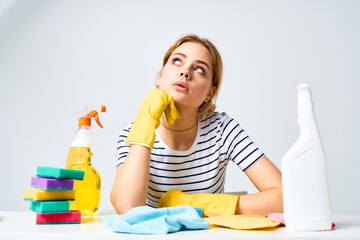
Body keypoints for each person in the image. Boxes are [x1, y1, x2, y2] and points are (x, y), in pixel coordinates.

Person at [110, 34, 283, 216]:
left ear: (210, 92)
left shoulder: (222, 130)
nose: (185, 73)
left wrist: (197, 205)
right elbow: (127, 207)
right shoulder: (133, 131)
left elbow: (284, 197)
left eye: (199, 69)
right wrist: (145, 120)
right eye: (177, 61)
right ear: (161, 75)